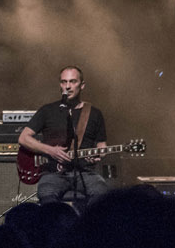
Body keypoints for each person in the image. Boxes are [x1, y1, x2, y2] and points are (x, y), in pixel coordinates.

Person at [17, 66, 109, 206]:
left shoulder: (94, 113)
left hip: (85, 172)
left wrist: (98, 156)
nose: (68, 86)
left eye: (73, 81)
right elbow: (23, 138)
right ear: (60, 85)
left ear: (82, 85)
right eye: (64, 82)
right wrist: (51, 151)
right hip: (53, 173)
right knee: (46, 194)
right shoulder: (47, 110)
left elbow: (102, 145)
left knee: (102, 194)